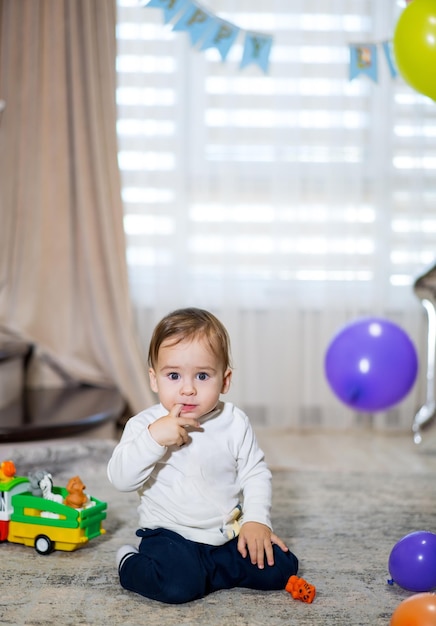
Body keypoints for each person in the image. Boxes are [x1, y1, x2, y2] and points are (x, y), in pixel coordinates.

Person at [107, 307, 315, 604]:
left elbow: (255, 473)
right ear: (154, 380)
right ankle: (130, 562)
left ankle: (209, 572)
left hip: (226, 534)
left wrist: (257, 521)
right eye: (174, 375)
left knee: (281, 567)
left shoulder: (234, 421)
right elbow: (120, 479)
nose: (188, 389)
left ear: (225, 380)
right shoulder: (144, 426)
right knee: (177, 587)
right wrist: (155, 439)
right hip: (170, 534)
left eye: (202, 375)